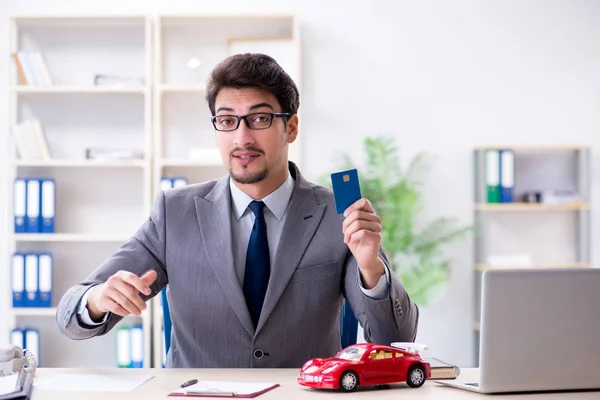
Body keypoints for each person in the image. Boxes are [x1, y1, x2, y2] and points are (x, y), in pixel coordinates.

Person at [56, 53, 419, 368]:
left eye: (259, 119)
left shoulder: (337, 213)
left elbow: (396, 341)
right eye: (227, 121)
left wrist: (371, 268)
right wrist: (98, 299)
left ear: (290, 127)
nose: (241, 138)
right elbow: (69, 315)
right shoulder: (175, 213)